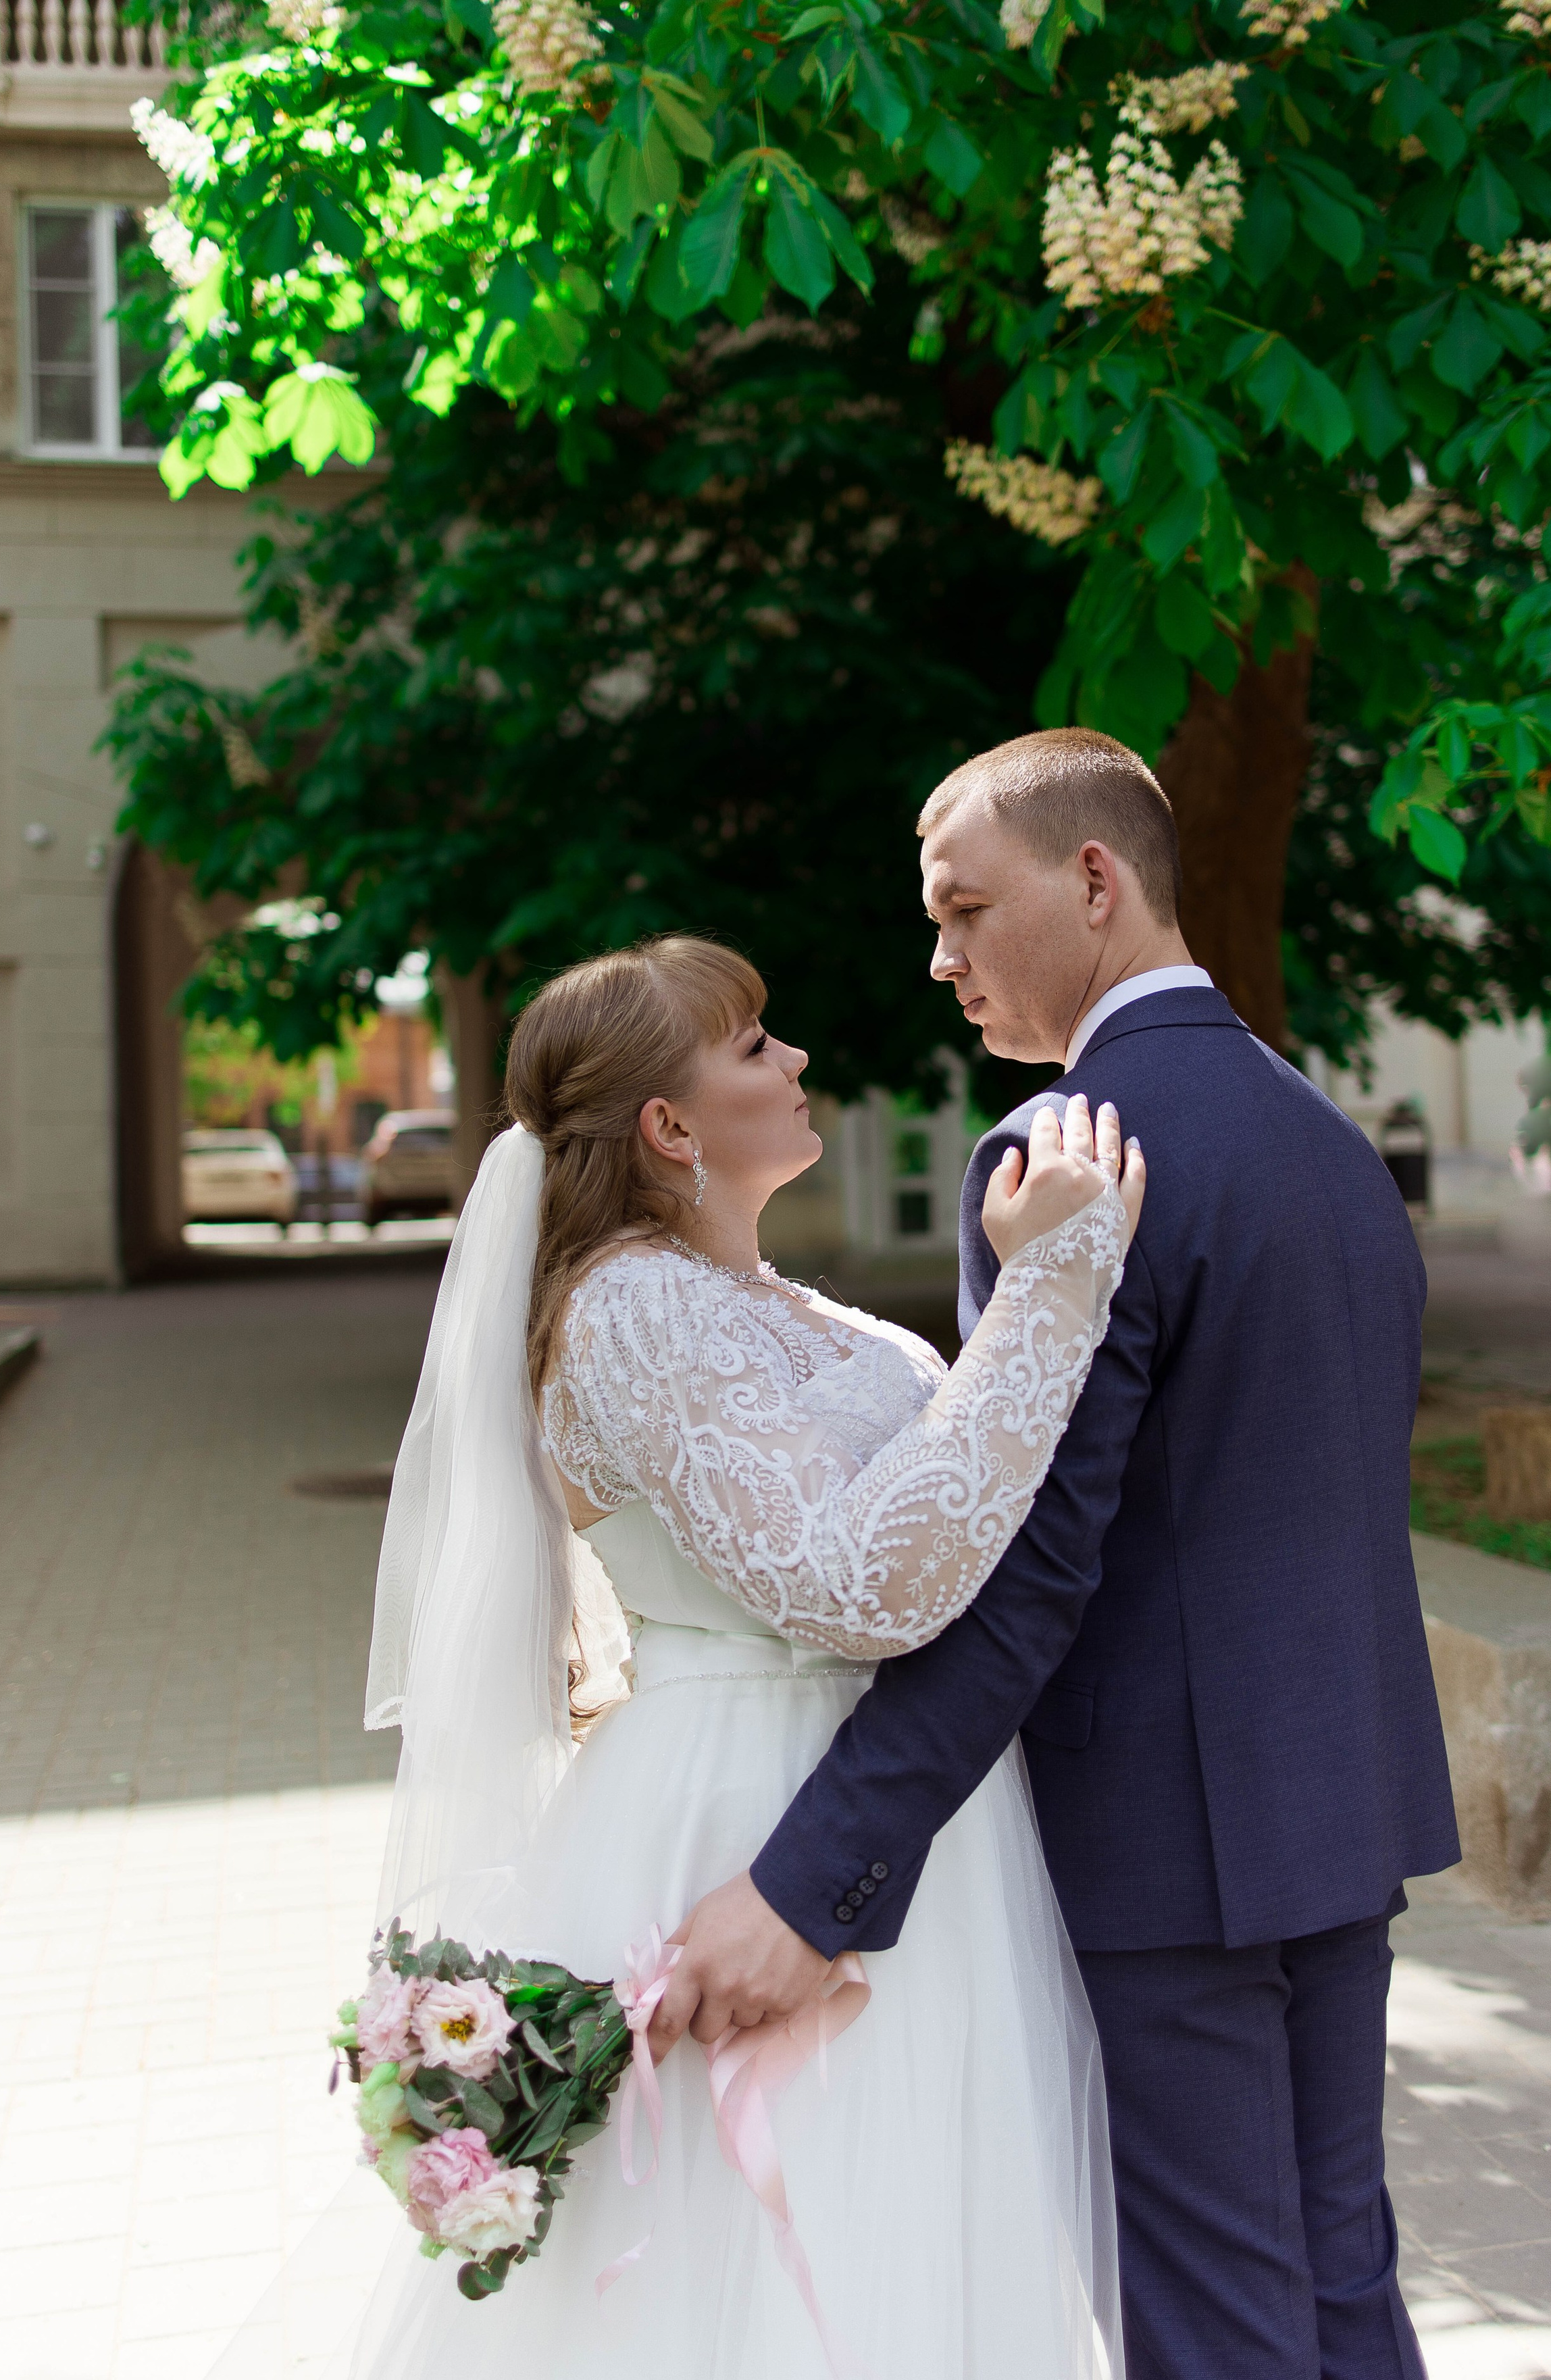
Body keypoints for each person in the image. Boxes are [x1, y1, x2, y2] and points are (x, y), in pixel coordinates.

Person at [655, 730, 1461, 2380]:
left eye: (964, 908)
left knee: (1212, 2315)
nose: (937, 956)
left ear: (1092, 879)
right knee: (1336, 2279)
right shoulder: (1324, 1141)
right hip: (1340, 1800)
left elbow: (1028, 1570)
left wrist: (815, 1882)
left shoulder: (1066, 1155)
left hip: (1159, 1842)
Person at [349, 932, 1146, 2379]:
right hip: (748, 1804)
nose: (791, 1058)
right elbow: (851, 1582)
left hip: (888, 1799)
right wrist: (1047, 1291)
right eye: (752, 1042)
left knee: (908, 2228)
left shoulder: (786, 1304)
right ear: (667, 1125)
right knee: (776, 2253)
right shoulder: (629, 1305)